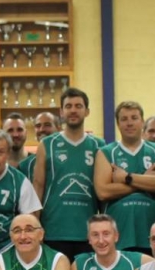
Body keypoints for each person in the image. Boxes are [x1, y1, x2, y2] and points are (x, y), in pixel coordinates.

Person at [33, 88, 106, 260]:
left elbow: (104, 189)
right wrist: (35, 226)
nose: (73, 110)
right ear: (61, 112)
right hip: (54, 230)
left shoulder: (99, 145)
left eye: (78, 106)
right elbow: (38, 186)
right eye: (68, 106)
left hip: (88, 231)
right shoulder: (47, 144)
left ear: (87, 111)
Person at [94, 101, 155, 254]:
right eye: (124, 119)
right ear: (118, 123)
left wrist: (127, 177)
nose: (129, 123)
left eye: (134, 118)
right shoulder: (106, 152)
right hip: (119, 232)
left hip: (154, 232)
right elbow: (103, 192)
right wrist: (145, 180)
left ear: (142, 121)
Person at [0, 130, 43, 252]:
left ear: (8, 154)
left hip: (8, 248)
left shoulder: (19, 180)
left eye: (0, 152)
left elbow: (32, 223)